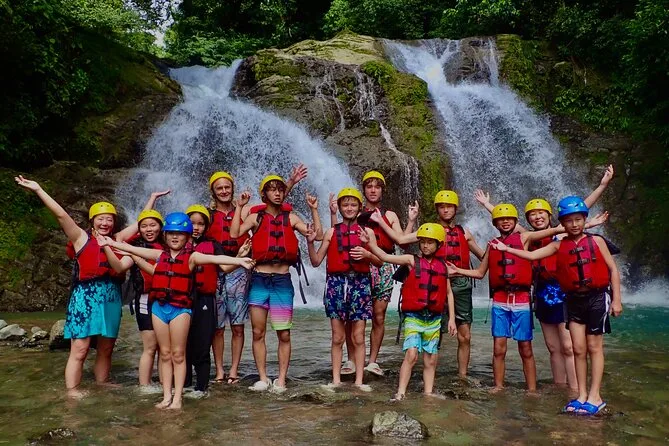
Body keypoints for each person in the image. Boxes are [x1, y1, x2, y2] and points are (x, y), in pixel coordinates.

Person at [474, 165, 614, 390]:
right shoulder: (527, 236)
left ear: (550, 216)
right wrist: (487, 205)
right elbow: (505, 220)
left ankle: (575, 389)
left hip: (562, 291)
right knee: (553, 346)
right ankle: (560, 387)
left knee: (568, 346)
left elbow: (580, 209)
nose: (537, 217)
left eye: (541, 213)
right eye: (533, 214)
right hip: (541, 292)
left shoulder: (560, 232)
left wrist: (602, 185)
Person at [98, 212, 254, 409]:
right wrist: (110, 243)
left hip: (180, 310)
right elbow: (133, 249)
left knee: (178, 354)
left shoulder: (192, 257)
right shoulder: (160, 255)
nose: (174, 237)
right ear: (165, 235)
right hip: (159, 308)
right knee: (165, 353)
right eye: (171, 233)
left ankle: (178, 398)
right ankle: (166, 396)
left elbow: (215, 259)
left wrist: (239, 260)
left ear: (187, 236)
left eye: (179, 233)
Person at [489, 196, 621, 415]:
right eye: (569, 221)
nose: (574, 224)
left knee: (591, 347)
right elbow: (526, 247)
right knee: (575, 348)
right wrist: (507, 248)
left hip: (592, 297)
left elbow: (612, 269)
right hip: (565, 298)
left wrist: (616, 300)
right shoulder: (552, 243)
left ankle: (593, 395)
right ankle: (578, 394)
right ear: (562, 222)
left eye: (578, 220)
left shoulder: (593, 241)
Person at [14, 176, 126, 399]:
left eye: (109, 219)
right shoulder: (80, 237)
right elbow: (61, 215)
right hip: (85, 297)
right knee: (80, 348)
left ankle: (102, 383)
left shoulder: (116, 241)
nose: (105, 223)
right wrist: (38, 189)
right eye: (101, 219)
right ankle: (72, 391)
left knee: (106, 348)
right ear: (92, 221)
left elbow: (143, 224)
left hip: (111, 296)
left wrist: (152, 201)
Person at [446, 203, 568, 392]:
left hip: (521, 301)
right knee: (498, 348)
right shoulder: (492, 245)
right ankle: (498, 386)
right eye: (501, 219)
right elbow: (480, 273)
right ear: (495, 223)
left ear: (515, 221)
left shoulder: (525, 237)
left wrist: (587, 224)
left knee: (525, 348)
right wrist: (458, 270)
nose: (505, 222)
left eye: (509, 219)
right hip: (500, 302)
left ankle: (532, 390)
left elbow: (555, 230)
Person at [367, 190, 485, 378]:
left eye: (449, 207)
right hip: (434, 284)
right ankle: (429, 377)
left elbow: (484, 257)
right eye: (442, 207)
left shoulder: (464, 233)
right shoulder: (429, 232)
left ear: (455, 209)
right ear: (437, 209)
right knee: (432, 332)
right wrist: (382, 221)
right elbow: (400, 240)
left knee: (465, 335)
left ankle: (462, 377)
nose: (445, 210)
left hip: (460, 284)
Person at [207, 167, 307, 384]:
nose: (224, 191)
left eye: (227, 187)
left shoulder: (247, 210)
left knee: (246, 327)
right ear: (213, 192)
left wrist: (290, 182)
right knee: (222, 327)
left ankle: (242, 372)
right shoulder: (211, 214)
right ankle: (224, 372)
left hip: (247, 272)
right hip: (221, 272)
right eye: (219, 188)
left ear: (232, 188)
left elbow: (274, 203)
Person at [230, 175, 322, 393]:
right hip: (259, 280)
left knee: (284, 333)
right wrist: (239, 207)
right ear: (264, 195)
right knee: (258, 331)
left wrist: (314, 210)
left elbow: (316, 235)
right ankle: (263, 378)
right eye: (272, 190)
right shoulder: (256, 217)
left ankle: (281, 380)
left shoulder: (291, 218)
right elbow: (234, 233)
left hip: (281, 281)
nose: (278, 193)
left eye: (280, 189)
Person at [360, 223, 457, 400]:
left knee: (431, 359)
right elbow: (385, 256)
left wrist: (452, 319)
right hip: (414, 316)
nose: (425, 246)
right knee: (411, 354)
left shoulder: (443, 266)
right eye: (423, 242)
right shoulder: (411, 260)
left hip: (434, 319)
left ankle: (428, 393)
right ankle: (400, 393)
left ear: (439, 245)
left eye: (430, 242)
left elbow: (449, 293)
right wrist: (370, 243)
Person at [307, 188, 382, 392]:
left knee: (358, 336)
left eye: (353, 205)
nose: (349, 208)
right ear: (339, 208)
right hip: (336, 285)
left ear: (360, 207)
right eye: (345, 205)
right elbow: (316, 261)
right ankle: (336, 380)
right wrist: (310, 242)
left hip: (360, 284)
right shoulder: (332, 232)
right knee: (337, 336)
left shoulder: (367, 232)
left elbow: (379, 261)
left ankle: (359, 381)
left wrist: (367, 254)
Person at [184, 205, 251, 396]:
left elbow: (224, 268)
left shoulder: (212, 245)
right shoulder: (176, 243)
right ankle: (184, 383)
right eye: (192, 223)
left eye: (200, 224)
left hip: (205, 298)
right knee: (184, 343)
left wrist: (239, 257)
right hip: (182, 299)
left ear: (206, 227)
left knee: (203, 342)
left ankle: (201, 388)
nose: (196, 228)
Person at [353, 170, 414, 377]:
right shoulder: (355, 211)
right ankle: (352, 360)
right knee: (355, 315)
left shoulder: (390, 215)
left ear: (382, 190)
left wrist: (411, 221)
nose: (373, 190)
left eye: (377, 187)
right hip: (361, 263)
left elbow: (401, 241)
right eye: (369, 186)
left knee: (379, 316)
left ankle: (372, 361)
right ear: (364, 190)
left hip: (384, 266)